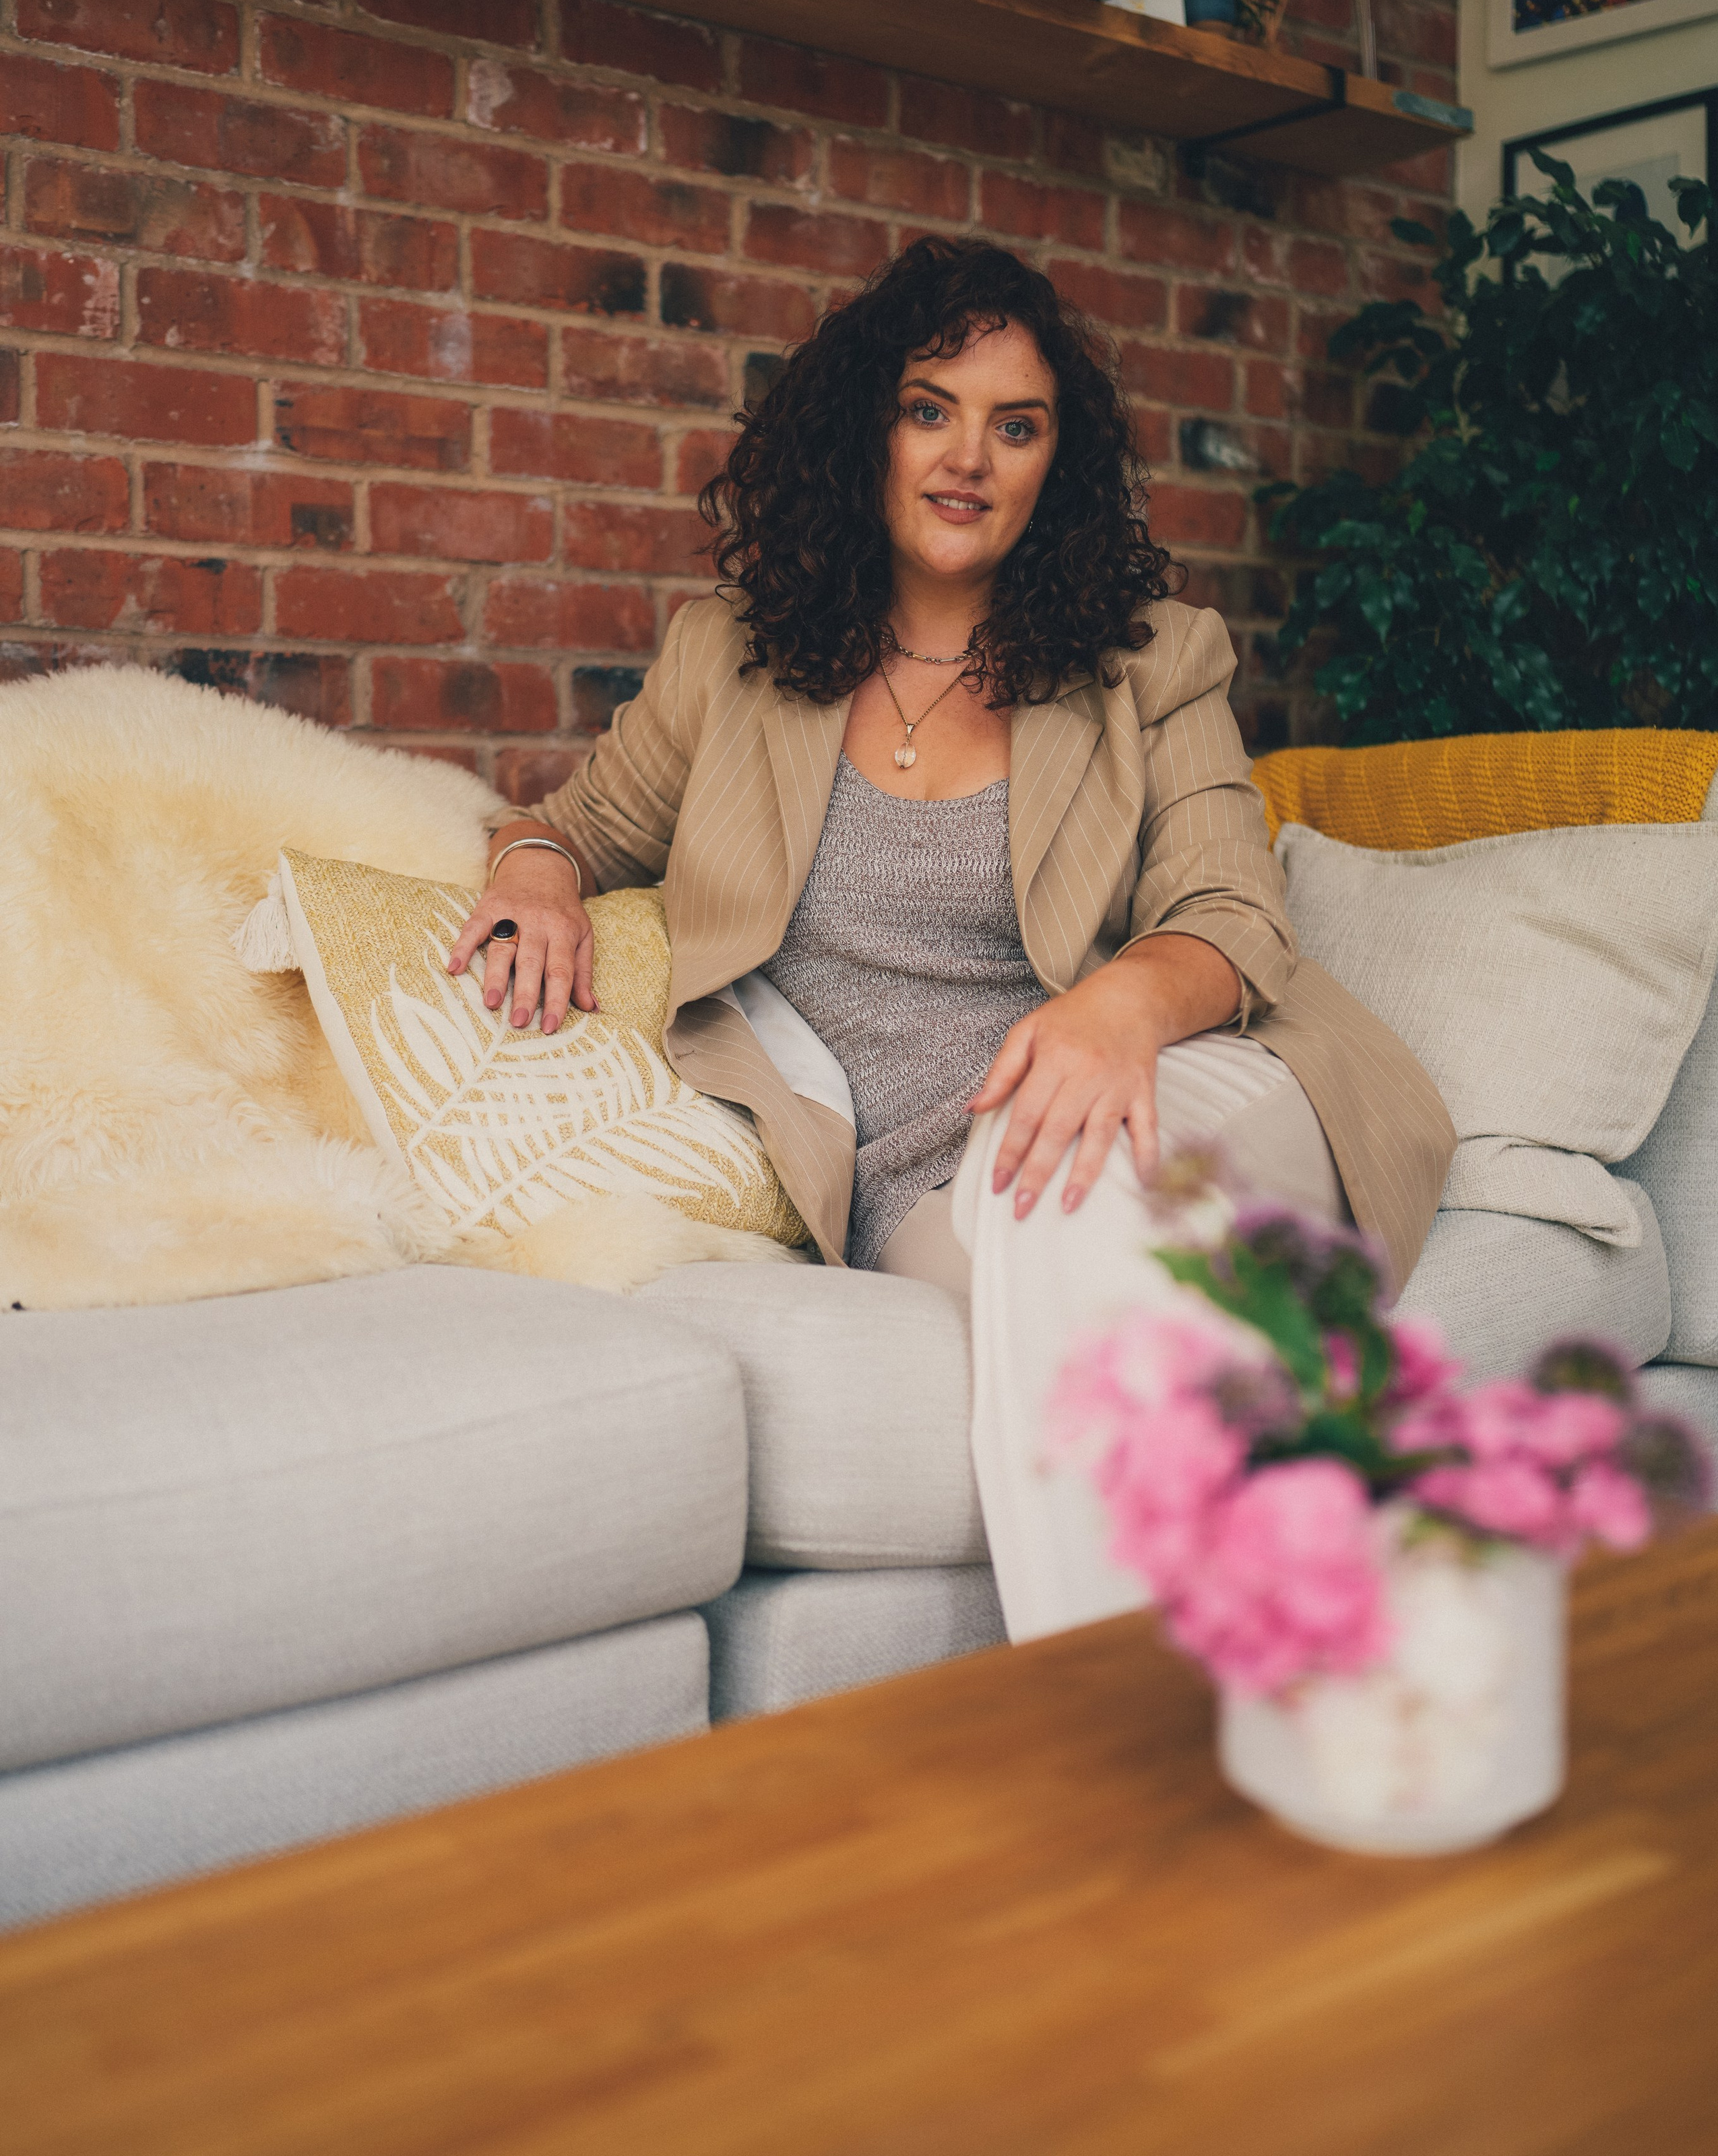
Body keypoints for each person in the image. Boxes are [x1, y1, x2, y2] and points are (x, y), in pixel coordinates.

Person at [448, 236, 1455, 1639]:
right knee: (1067, 1233)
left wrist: (1116, 1007)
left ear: (1055, 465)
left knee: (1074, 1185)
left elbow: (1231, 911)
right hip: (922, 1184)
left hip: (1177, 1070)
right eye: (930, 409)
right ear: (867, 428)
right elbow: (576, 826)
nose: (967, 457)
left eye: (1015, 426)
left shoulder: (1152, 659)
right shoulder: (730, 658)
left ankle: (1133, 1711)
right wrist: (538, 876)